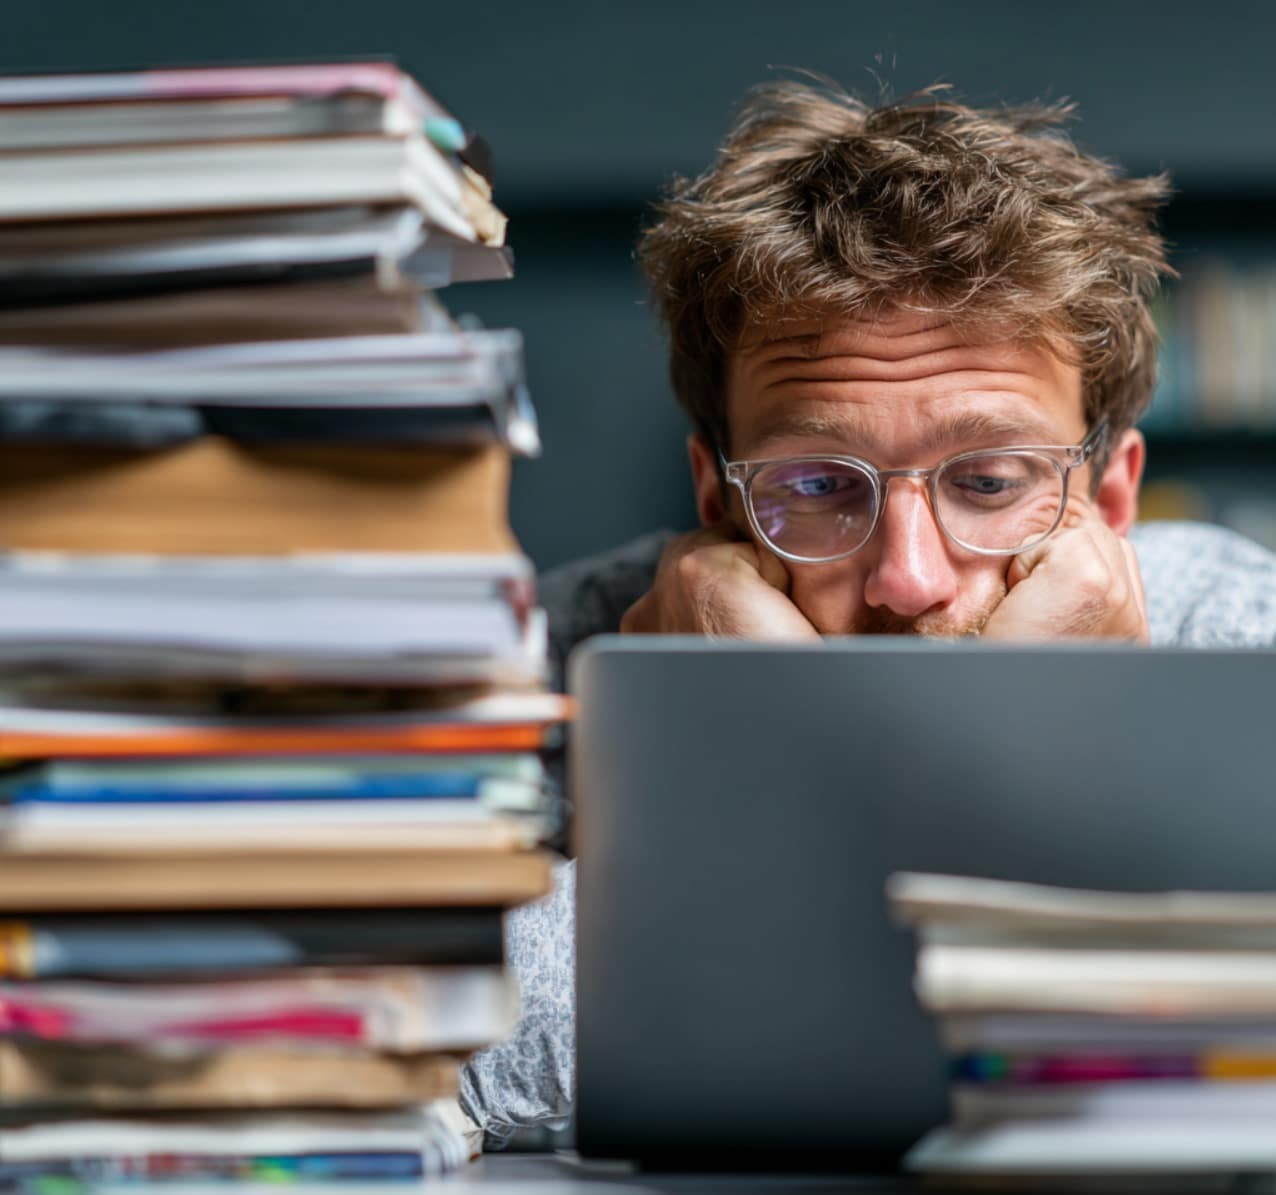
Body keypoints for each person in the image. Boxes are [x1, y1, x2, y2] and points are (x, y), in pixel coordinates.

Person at [457, 79, 1276, 1143]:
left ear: (1110, 498)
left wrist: (1021, 733)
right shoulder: (525, 666)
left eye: (988, 481)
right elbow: (389, 1057)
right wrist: (748, 742)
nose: (908, 578)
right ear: (717, 499)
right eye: (815, 486)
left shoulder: (1238, 633)